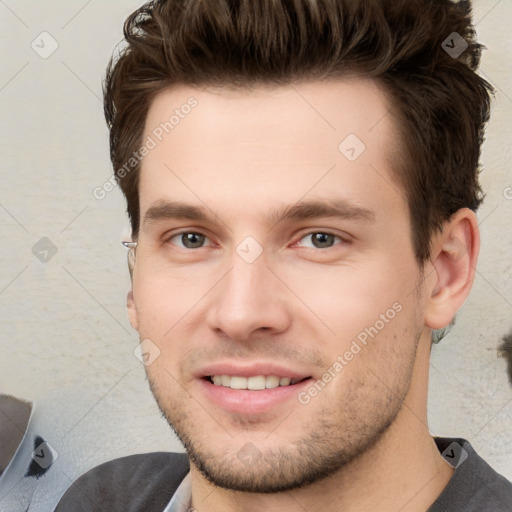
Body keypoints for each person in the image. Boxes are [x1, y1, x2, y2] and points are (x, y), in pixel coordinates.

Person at [56, 0, 512, 510]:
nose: (240, 313)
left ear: (445, 271)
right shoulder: (104, 499)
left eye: (320, 239)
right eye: (191, 238)